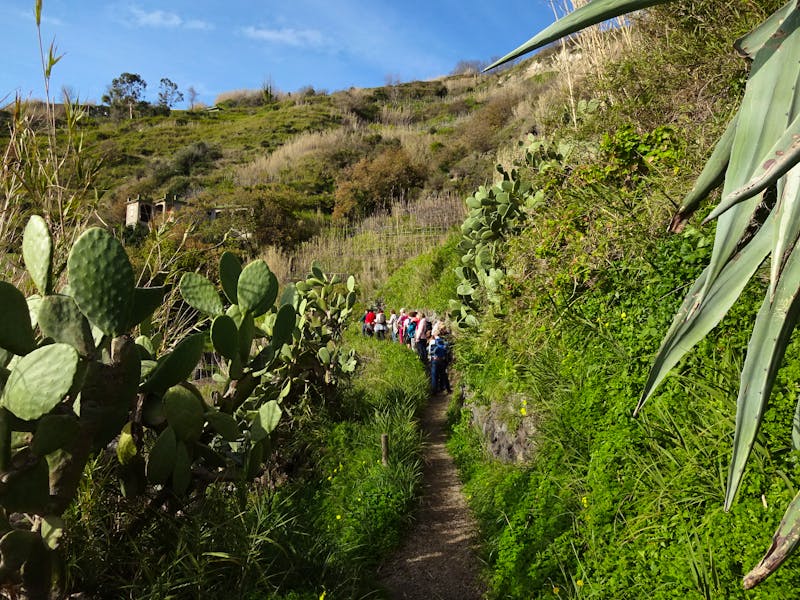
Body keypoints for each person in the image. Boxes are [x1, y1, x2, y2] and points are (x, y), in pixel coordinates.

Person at [428, 324, 452, 394]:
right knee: (444, 375)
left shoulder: (432, 341)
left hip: (434, 360)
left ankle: (434, 391)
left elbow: (430, 351)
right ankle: (447, 389)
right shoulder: (442, 341)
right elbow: (446, 350)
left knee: (434, 375)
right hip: (442, 359)